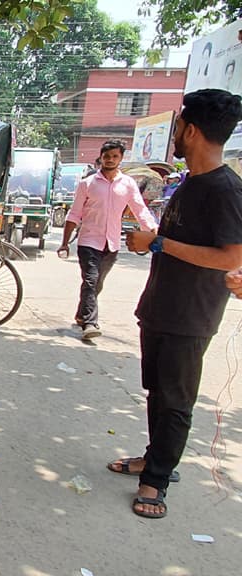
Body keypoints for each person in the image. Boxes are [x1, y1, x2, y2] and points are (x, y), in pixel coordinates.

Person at [120, 89, 242, 519]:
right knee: (158, 391)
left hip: (190, 315)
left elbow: (231, 256)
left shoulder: (226, 189)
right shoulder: (192, 181)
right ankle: (154, 459)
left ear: (190, 130)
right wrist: (155, 245)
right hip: (161, 307)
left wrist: (160, 243)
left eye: (177, 127)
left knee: (175, 399)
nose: (174, 135)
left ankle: (156, 479)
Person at [58, 140, 157, 341]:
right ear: (101, 158)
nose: (110, 160)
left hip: (111, 243)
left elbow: (140, 211)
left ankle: (81, 313)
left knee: (97, 283)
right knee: (90, 279)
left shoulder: (128, 184)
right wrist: (64, 242)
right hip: (88, 241)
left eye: (114, 156)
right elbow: (74, 214)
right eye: (107, 156)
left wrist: (154, 231)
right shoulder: (88, 184)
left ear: (120, 158)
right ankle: (90, 323)